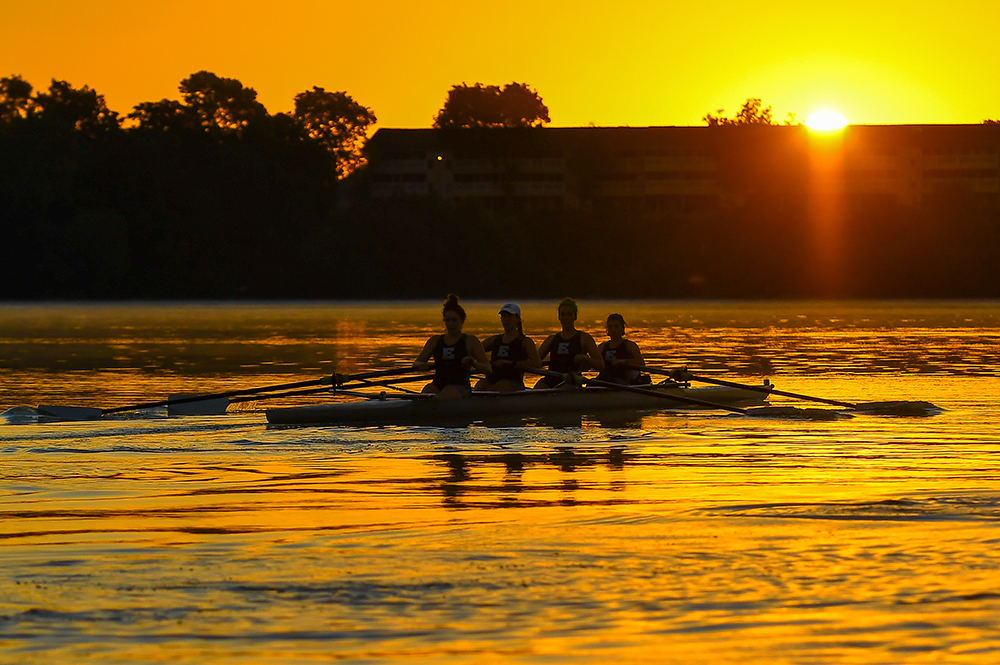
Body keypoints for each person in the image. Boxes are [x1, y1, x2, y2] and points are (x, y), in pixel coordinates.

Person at [413, 294, 492, 399]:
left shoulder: (471, 341)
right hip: (438, 384)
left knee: (445, 393)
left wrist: (473, 362)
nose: (450, 324)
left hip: (460, 386)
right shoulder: (435, 341)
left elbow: (488, 369)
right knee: (426, 392)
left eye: (454, 320)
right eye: (448, 320)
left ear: (462, 321)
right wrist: (420, 364)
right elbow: (417, 362)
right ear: (444, 320)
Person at [534, 298, 604, 389]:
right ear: (559, 317)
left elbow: (601, 365)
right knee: (539, 387)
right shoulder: (551, 339)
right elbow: (535, 362)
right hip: (552, 377)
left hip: (572, 379)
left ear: (575, 317)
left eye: (569, 314)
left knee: (563, 388)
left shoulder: (584, 338)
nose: (566, 318)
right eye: (563, 315)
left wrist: (586, 358)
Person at [475, 303, 542, 392]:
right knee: (480, 387)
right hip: (493, 377)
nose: (506, 319)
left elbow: (537, 364)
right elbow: (474, 351)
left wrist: (509, 363)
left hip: (513, 380)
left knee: (495, 388)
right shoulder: (494, 340)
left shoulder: (525, 342)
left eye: (509, 316)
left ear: (518, 319)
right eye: (503, 316)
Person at [595, 313, 647, 384]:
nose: (613, 330)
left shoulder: (630, 346)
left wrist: (624, 361)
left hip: (623, 381)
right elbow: (594, 364)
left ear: (622, 328)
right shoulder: (602, 347)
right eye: (610, 327)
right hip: (604, 380)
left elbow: (641, 363)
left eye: (616, 327)